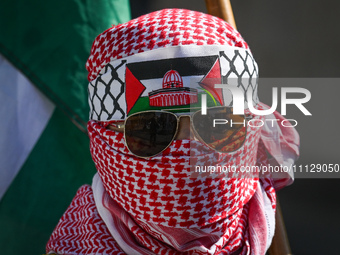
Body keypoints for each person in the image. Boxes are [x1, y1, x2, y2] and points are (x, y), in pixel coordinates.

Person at [46, 9, 299, 255]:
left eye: (216, 125)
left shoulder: (261, 223)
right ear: (104, 139)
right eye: (151, 129)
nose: (187, 150)